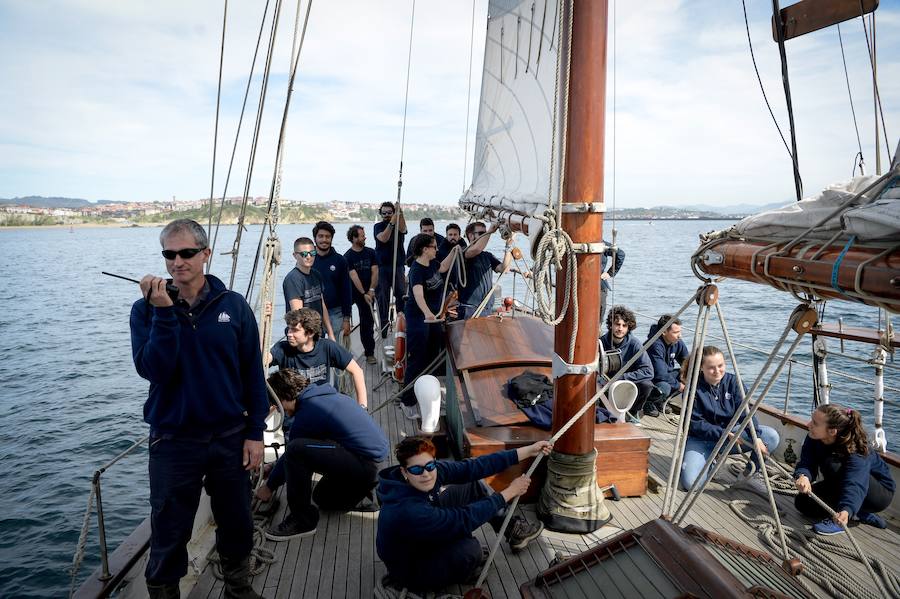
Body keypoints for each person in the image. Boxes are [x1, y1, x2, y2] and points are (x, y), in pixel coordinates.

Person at [130, 219, 268, 599]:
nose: (177, 262)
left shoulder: (234, 306)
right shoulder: (145, 311)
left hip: (229, 438)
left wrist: (255, 432)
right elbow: (154, 370)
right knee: (169, 532)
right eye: (170, 254)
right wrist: (164, 313)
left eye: (187, 253)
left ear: (205, 254)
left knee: (237, 522)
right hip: (173, 441)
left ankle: (238, 590)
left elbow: (252, 374)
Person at [376, 436, 550, 591]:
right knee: (471, 551)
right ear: (404, 472)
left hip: (425, 530)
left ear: (434, 462)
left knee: (474, 486)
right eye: (416, 470)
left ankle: (513, 530)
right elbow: (463, 519)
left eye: (430, 465)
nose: (426, 474)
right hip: (413, 566)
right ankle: (462, 572)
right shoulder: (406, 509)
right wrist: (509, 492)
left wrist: (528, 450)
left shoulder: (429, 470)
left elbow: (473, 467)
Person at [262, 369, 389, 541]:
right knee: (323, 498)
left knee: (295, 449)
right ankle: (362, 497)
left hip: (365, 466)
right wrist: (274, 467)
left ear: (285, 397)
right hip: (374, 467)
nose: (278, 410)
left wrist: (269, 487)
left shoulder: (309, 411)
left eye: (277, 405)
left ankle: (302, 521)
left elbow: (293, 452)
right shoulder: (327, 396)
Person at [680, 346, 780, 492]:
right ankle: (712, 462)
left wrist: (756, 437)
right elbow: (695, 424)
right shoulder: (692, 388)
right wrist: (723, 433)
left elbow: (746, 413)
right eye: (711, 368)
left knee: (770, 437)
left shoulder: (734, 383)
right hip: (701, 439)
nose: (717, 371)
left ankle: (748, 475)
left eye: (720, 365)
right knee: (691, 484)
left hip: (729, 437)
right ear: (701, 368)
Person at [794, 404, 895, 535]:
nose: (809, 424)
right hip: (840, 484)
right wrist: (803, 476)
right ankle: (859, 513)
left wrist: (846, 509)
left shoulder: (856, 450)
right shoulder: (814, 438)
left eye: (815, 423)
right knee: (802, 502)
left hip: (877, 494)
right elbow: (807, 461)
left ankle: (844, 518)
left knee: (834, 465)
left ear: (832, 431)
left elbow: (855, 483)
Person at [402, 233, 457, 418]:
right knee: (417, 360)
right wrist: (427, 313)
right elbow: (418, 295)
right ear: (425, 249)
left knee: (432, 358)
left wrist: (455, 251)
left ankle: (430, 397)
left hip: (434, 318)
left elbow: (443, 267)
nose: (437, 249)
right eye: (434, 247)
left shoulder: (433, 263)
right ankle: (407, 401)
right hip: (419, 318)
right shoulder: (416, 270)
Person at [269, 308, 367, 408]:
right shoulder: (283, 349)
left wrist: (363, 407)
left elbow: (357, 371)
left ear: (310, 333)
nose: (289, 334)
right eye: (289, 329)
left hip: (321, 407)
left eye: (295, 330)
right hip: (294, 412)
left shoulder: (327, 347)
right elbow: (265, 359)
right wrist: (265, 323)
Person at [599, 305, 655, 420]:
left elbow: (648, 371)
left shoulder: (635, 344)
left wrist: (622, 377)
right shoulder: (601, 343)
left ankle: (633, 413)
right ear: (611, 325)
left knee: (647, 385)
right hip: (605, 382)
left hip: (627, 381)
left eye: (624, 325)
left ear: (629, 327)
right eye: (617, 324)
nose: (620, 329)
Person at [456, 222, 513, 319]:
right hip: (469, 309)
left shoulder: (487, 256)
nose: (485, 236)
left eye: (485, 233)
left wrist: (508, 247)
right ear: (471, 236)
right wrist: (490, 232)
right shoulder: (464, 253)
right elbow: (476, 249)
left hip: (487, 308)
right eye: (481, 233)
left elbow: (504, 269)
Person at [283, 236, 336, 339]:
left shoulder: (316, 274)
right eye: (304, 254)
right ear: (295, 255)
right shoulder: (293, 279)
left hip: (318, 332)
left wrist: (330, 333)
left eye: (312, 253)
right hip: (303, 336)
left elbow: (322, 305)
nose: (309, 257)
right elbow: (298, 314)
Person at [311, 221, 352, 343]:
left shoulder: (340, 260)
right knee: (314, 348)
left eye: (327, 237)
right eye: (321, 236)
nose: (324, 240)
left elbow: (346, 291)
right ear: (315, 238)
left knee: (336, 347)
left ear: (331, 238)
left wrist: (346, 319)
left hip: (335, 312)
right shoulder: (308, 259)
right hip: (313, 312)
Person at [344, 225, 379, 364]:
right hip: (353, 292)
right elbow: (353, 276)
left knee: (367, 323)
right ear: (354, 238)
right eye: (362, 235)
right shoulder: (347, 257)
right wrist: (363, 293)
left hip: (369, 291)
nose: (365, 237)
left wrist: (371, 290)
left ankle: (369, 353)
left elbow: (375, 271)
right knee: (344, 320)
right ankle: (344, 353)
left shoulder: (371, 252)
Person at [374, 201, 407, 337]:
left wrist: (400, 213)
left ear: (394, 213)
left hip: (397, 266)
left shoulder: (399, 224)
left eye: (390, 212)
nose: (387, 215)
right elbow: (383, 238)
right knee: (383, 298)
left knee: (401, 295)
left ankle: (402, 325)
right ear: (381, 214)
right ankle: (384, 329)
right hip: (382, 267)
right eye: (384, 213)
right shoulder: (378, 226)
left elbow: (403, 230)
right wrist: (392, 223)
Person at [646, 315, 690, 416]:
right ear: (664, 332)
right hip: (651, 379)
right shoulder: (654, 345)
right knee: (665, 387)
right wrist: (679, 386)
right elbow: (660, 374)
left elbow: (687, 362)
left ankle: (660, 401)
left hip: (664, 374)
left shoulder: (677, 342)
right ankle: (648, 402)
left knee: (688, 375)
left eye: (680, 332)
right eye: (675, 332)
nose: (680, 336)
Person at [599, 240, 624, 325]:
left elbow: (620, 254)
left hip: (600, 285)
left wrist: (610, 273)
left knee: (598, 317)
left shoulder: (602, 244)